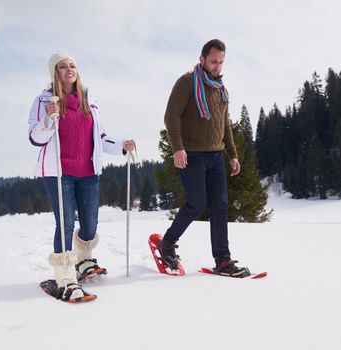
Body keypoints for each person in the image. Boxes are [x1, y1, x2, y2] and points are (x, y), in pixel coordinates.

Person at [28, 52, 135, 301]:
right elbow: (35, 138)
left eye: (73, 65)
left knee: (90, 222)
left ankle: (84, 260)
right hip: (59, 173)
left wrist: (121, 145)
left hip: (88, 172)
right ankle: (65, 275)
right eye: (63, 66)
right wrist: (48, 118)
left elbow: (100, 138)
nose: (69, 70)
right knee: (65, 223)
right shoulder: (44, 101)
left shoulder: (90, 101)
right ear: (54, 72)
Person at [159, 39, 249, 277]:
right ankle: (167, 242)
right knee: (196, 204)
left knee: (220, 206)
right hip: (193, 155)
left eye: (220, 62)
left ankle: (223, 260)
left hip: (216, 156)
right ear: (202, 59)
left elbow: (224, 124)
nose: (217, 66)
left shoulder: (220, 89)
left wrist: (233, 154)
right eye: (213, 61)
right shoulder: (187, 82)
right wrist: (178, 148)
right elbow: (171, 117)